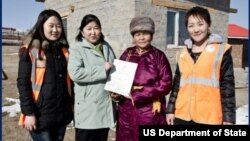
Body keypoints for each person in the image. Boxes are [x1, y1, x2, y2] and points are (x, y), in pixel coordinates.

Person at [166, 6, 236, 125]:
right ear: (187, 29)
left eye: (200, 24)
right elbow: (177, 85)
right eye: (191, 25)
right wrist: (170, 110)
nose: (196, 29)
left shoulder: (221, 51)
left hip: (209, 118)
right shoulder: (183, 53)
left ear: (208, 25)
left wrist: (229, 119)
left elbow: (228, 88)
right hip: (182, 116)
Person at [111, 17, 172, 141]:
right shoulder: (127, 54)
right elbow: (118, 77)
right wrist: (116, 93)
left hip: (150, 110)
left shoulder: (158, 56)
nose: (142, 38)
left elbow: (166, 83)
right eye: (138, 34)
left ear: (152, 35)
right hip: (126, 109)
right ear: (133, 36)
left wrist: (137, 94)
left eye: (145, 34)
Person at [17, 9, 73, 141]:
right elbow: (23, 83)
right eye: (51, 25)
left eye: (59, 26)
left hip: (61, 114)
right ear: (42, 26)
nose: (55, 29)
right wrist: (29, 113)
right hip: (40, 114)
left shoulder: (64, 51)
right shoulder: (31, 50)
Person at [67, 14, 116, 141]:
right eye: (89, 29)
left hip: (104, 107)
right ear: (82, 32)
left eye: (96, 28)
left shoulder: (106, 47)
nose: (93, 32)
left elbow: (114, 69)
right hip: (87, 110)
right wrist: (101, 69)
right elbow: (75, 73)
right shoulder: (77, 48)